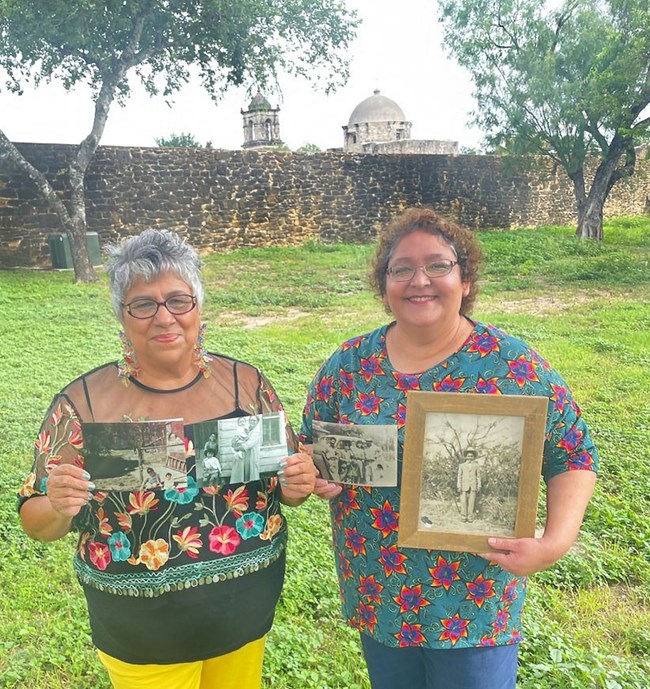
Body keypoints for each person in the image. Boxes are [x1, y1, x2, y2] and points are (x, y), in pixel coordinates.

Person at [300, 207, 598, 689]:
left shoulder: (513, 367)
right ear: (384, 285)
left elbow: (574, 453)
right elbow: (310, 446)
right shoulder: (348, 366)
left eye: (438, 265)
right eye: (402, 268)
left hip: (474, 602)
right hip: (382, 593)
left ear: (465, 277)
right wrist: (313, 476)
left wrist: (554, 543)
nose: (420, 280)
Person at [18, 229, 316, 689]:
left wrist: (298, 485)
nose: (164, 318)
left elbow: (286, 490)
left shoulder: (245, 386)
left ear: (199, 308)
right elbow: (35, 522)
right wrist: (58, 505)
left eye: (179, 300)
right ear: (122, 315)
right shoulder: (84, 405)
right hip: (142, 633)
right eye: (143, 304)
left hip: (243, 611)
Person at [457, 448, 481, 522]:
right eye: (468, 456)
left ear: (473, 457)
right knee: (463, 502)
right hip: (464, 486)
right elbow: (459, 476)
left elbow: (478, 476)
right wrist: (459, 486)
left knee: (471, 502)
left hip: (473, 486)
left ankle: (470, 517)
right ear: (466, 457)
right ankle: (463, 517)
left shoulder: (476, 465)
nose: (470, 457)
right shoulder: (462, 465)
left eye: (471, 456)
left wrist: (479, 485)